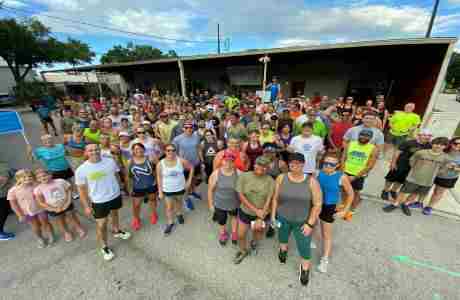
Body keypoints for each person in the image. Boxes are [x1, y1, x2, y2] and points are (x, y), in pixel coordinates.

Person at [271, 152, 322, 286]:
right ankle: (283, 250)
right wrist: (272, 215)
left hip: (302, 221)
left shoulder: (312, 182)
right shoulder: (281, 178)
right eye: (292, 163)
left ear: (303, 164)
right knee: (282, 237)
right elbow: (275, 198)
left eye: (298, 163)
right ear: (289, 164)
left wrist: (310, 224)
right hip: (283, 217)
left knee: (304, 246)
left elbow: (317, 204)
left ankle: (305, 269)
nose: (295, 166)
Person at [76, 144, 131, 261]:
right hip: (98, 201)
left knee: (115, 213)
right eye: (90, 150)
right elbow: (81, 190)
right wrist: (86, 206)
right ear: (86, 152)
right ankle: (104, 246)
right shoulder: (81, 170)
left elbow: (116, 175)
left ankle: (117, 230)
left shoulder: (110, 162)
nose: (94, 152)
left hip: (115, 195)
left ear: (100, 150)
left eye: (96, 149)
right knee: (102, 225)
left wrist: (121, 189)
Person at [383, 137, 450, 216]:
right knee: (403, 192)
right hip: (413, 178)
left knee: (415, 194)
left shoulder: (445, 157)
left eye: (442, 145)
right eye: (436, 144)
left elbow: (444, 169)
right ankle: (395, 204)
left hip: (428, 180)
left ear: (445, 146)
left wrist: (434, 172)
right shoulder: (421, 153)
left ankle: (405, 204)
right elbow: (412, 161)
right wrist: (417, 169)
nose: (438, 146)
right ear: (432, 144)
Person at [316, 153, 354, 273]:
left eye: (331, 164)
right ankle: (312, 239)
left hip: (329, 206)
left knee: (326, 234)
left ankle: (325, 259)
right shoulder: (317, 173)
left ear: (337, 165)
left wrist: (345, 210)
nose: (327, 165)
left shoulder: (341, 177)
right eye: (325, 163)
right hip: (316, 204)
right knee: (312, 224)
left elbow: (351, 194)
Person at [233, 156, 275, 264]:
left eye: (264, 166)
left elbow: (269, 200)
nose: (261, 168)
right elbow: (240, 195)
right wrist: (256, 210)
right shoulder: (244, 176)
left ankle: (254, 243)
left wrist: (260, 217)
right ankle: (243, 251)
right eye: (259, 164)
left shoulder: (270, 181)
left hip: (262, 213)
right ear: (254, 164)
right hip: (245, 211)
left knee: (258, 231)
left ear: (267, 168)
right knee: (241, 235)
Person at [34, 168, 86, 242]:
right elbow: (41, 202)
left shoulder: (60, 181)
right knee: (60, 220)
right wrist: (53, 209)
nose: (43, 178)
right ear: (37, 180)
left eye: (45, 175)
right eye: (40, 177)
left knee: (72, 216)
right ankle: (66, 232)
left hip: (66, 204)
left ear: (50, 175)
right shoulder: (38, 189)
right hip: (53, 208)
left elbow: (68, 191)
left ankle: (78, 227)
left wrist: (67, 202)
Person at [381, 129, 432, 202]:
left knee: (401, 180)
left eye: (428, 136)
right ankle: (385, 191)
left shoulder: (429, 146)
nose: (426, 137)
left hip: (413, 167)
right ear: (419, 135)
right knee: (391, 177)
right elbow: (397, 152)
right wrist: (393, 163)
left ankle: (393, 191)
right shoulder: (409, 143)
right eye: (424, 135)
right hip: (401, 164)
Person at [8, 169, 54, 248]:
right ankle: (40, 238)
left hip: (41, 208)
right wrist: (20, 215)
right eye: (24, 177)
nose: (27, 179)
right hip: (27, 212)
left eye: (29, 176)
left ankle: (51, 235)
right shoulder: (13, 191)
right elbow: (13, 204)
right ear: (18, 179)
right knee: (35, 226)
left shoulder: (36, 185)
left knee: (45, 222)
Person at [156, 144, 194, 236]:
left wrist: (189, 181)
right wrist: (160, 191)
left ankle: (179, 214)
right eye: (168, 150)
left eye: (173, 150)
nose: (171, 152)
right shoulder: (160, 164)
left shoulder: (181, 160)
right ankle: (170, 223)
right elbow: (159, 177)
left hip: (180, 188)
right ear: (165, 151)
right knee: (169, 207)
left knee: (179, 202)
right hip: (167, 189)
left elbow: (191, 167)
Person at [207, 150, 240, 246]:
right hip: (220, 203)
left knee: (234, 217)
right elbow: (210, 190)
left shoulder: (238, 173)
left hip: (234, 202)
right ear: (222, 161)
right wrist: (210, 204)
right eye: (226, 161)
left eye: (231, 161)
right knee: (222, 220)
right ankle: (223, 233)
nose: (228, 164)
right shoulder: (216, 174)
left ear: (234, 162)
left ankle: (234, 232)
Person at [341, 129, 378, 211]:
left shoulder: (373, 148)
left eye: (367, 136)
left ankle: (352, 208)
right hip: (346, 172)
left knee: (356, 192)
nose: (364, 137)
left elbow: (370, 166)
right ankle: (344, 205)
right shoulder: (350, 144)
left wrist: (355, 177)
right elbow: (343, 158)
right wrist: (343, 172)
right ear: (358, 135)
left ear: (370, 138)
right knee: (344, 189)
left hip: (359, 175)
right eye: (362, 135)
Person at [423, 137, 460, 215]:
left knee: (438, 192)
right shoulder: (442, 150)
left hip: (448, 177)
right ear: (451, 143)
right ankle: (418, 202)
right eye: (456, 143)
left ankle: (429, 207)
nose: (458, 145)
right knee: (425, 188)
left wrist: (453, 167)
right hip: (434, 173)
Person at [126, 143, 159, 231]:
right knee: (136, 205)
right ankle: (136, 218)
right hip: (138, 187)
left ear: (144, 149)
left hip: (151, 185)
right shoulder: (130, 161)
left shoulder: (150, 158)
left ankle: (153, 214)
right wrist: (129, 188)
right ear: (133, 151)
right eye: (136, 149)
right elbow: (128, 176)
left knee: (152, 200)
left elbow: (158, 169)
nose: (139, 150)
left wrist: (157, 181)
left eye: (140, 148)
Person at [173, 121, 203, 204]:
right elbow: (173, 152)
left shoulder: (196, 136)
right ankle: (186, 198)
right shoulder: (177, 139)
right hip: (184, 165)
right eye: (186, 127)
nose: (189, 129)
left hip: (196, 163)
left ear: (193, 128)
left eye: (190, 127)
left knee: (194, 179)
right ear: (183, 128)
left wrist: (202, 161)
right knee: (186, 183)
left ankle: (192, 192)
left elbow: (199, 148)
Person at [0, 161, 15, 240]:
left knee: (5, 210)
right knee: (3, 213)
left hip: (6, 193)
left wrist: (13, 172)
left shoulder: (3, 165)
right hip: (1, 195)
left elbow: (11, 172)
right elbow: (3, 179)